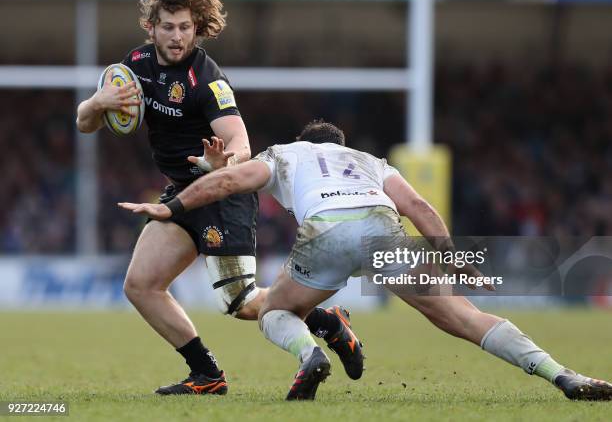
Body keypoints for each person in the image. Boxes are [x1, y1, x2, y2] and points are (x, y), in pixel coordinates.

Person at [119, 120, 612, 402]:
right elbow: (419, 208)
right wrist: (451, 258)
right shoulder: (370, 162)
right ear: (340, 142)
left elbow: (226, 183)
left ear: (308, 139)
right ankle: (562, 374)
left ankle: (310, 353)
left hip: (327, 234)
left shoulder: (286, 153)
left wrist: (171, 206)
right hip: (381, 226)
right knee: (465, 317)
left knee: (272, 310)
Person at [76, 0, 362, 395]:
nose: (176, 36)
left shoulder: (207, 80)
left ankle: (328, 322)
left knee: (243, 304)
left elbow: (240, 144)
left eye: (185, 28)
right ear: (151, 27)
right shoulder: (133, 67)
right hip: (181, 194)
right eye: (168, 26)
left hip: (223, 193)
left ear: (197, 29)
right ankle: (207, 375)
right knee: (140, 285)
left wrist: (223, 162)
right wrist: (97, 101)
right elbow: (84, 123)